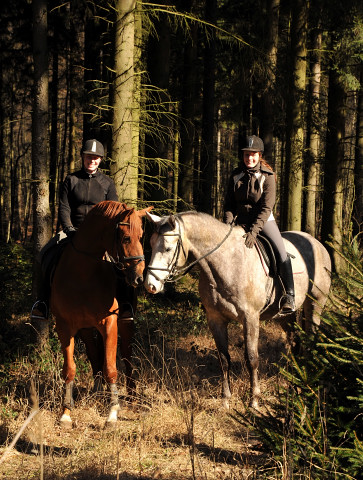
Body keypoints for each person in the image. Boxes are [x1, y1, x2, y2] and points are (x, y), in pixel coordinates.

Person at [31, 138, 134, 320]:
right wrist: (69, 228)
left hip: (101, 236)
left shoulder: (107, 183)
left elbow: (115, 210)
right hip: (73, 229)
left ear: (100, 160)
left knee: (122, 260)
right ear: (82, 157)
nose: (92, 160)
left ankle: (126, 305)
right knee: (43, 255)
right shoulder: (71, 180)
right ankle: (43, 303)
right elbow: (64, 207)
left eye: (95, 158)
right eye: (88, 157)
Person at [223, 135, 295, 314]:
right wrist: (227, 226)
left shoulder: (268, 177)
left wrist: (254, 231)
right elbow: (229, 205)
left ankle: (290, 296)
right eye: (247, 154)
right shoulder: (235, 175)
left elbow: (266, 208)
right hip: (241, 222)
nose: (249, 158)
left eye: (253, 154)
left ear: (259, 155)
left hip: (264, 222)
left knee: (280, 251)